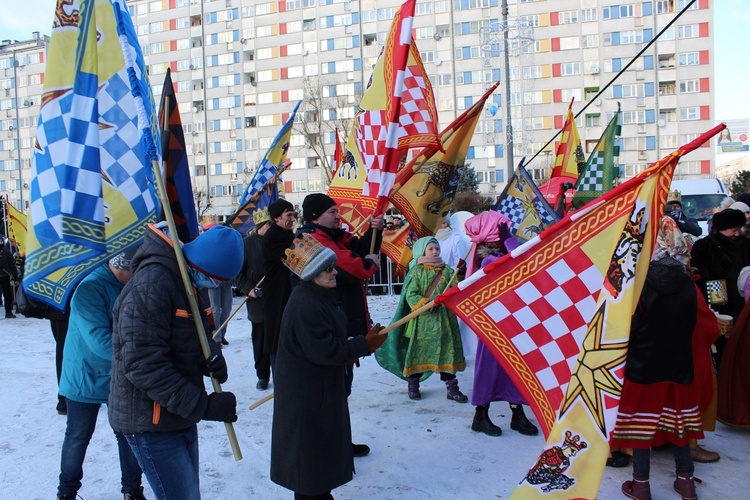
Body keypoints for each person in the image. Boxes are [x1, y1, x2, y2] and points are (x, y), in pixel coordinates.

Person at [109, 223, 241, 500]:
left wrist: (211, 355)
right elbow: (142, 363)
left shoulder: (189, 281)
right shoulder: (152, 284)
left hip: (176, 413)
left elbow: (196, 335)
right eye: (215, 279)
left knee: (188, 493)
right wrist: (202, 405)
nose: (216, 287)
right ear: (199, 266)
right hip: (150, 419)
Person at [270, 233, 386, 499]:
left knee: (317, 459)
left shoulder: (319, 295)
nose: (336, 272)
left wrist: (356, 345)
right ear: (311, 274)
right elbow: (324, 350)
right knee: (309, 460)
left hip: (317, 390)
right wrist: (362, 345)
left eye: (333, 266)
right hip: (307, 397)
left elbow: (328, 342)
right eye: (329, 269)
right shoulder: (305, 304)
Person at [612, 240, 702, 500]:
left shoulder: (640, 283)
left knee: (641, 425)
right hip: (680, 363)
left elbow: (631, 326)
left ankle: (641, 485)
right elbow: (693, 322)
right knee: (680, 423)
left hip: (644, 364)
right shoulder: (688, 283)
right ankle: (686, 483)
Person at [296, 193, 383, 458]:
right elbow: (350, 267)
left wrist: (374, 229)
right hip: (330, 324)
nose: (338, 215)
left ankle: (339, 442)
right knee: (332, 391)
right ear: (314, 216)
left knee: (341, 389)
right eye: (332, 211)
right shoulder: (310, 240)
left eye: (337, 210)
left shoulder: (333, 235)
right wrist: (369, 265)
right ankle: (330, 447)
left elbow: (358, 246)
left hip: (342, 319)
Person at [57, 249, 146, 500]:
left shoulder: (129, 286)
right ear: (123, 267)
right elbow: (99, 340)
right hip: (84, 376)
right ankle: (66, 492)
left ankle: (132, 490)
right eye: (136, 270)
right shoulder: (89, 289)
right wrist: (139, 359)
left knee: (128, 435)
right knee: (78, 436)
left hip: (118, 374)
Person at [465, 211, 539, 437]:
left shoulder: (498, 255)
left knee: (514, 368)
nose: (509, 229)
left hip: (511, 321)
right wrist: (509, 240)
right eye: (503, 228)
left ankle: (517, 414)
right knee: (489, 369)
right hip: (493, 325)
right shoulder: (489, 260)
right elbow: (519, 262)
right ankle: (481, 414)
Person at [375, 236, 467, 402]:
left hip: (444, 320)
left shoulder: (446, 270)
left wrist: (460, 273)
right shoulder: (417, 271)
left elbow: (456, 289)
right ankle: (413, 384)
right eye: (431, 248)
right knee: (419, 352)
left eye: (437, 249)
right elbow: (411, 293)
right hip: (423, 321)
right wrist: (425, 304)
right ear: (422, 250)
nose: (435, 252)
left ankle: (452, 387)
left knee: (447, 351)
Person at [690, 208, 750, 368]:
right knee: (725, 340)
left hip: (744, 300)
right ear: (722, 228)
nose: (737, 234)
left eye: (739, 230)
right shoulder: (705, 245)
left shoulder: (745, 243)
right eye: (733, 230)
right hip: (720, 301)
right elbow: (700, 276)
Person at [233, 208, 273, 390]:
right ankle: (262, 374)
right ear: (261, 226)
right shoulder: (246, 244)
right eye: (269, 224)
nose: (272, 228)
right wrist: (249, 289)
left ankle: (282, 373)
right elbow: (237, 273)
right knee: (261, 341)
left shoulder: (279, 242)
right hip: (258, 301)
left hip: (278, 298)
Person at [262, 199, 297, 370]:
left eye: (293, 215)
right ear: (276, 218)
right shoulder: (273, 236)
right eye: (288, 215)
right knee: (277, 334)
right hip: (277, 293)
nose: (292, 219)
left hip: (287, 290)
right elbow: (292, 256)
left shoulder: (287, 234)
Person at [204, 223, 234, 346]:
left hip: (227, 282)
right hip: (213, 281)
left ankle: (222, 334)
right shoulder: (211, 245)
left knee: (227, 309)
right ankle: (216, 337)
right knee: (215, 310)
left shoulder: (231, 246)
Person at [0, 239, 18, 318]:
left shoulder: (7, 252)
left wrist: (14, 274)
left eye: (1, 241)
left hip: (5, 275)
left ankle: (8, 311)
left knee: (7, 295)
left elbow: (12, 264)